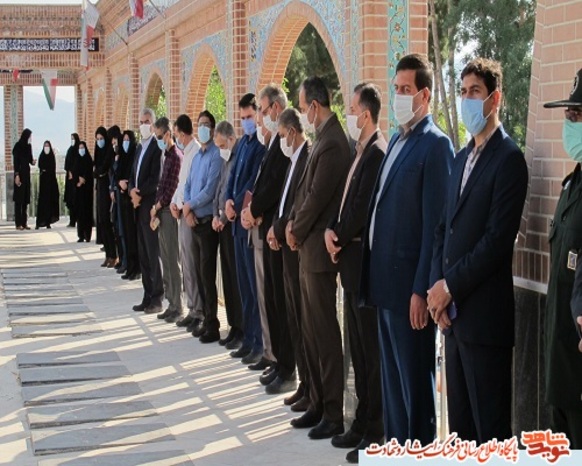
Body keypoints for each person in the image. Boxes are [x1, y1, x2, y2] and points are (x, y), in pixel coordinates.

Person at [427, 58, 528, 444]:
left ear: (494, 99)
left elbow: (496, 242)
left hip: (485, 323)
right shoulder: (460, 159)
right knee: (462, 434)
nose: (468, 99)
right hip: (453, 322)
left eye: (475, 92)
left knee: (491, 436)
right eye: (463, 92)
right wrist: (437, 291)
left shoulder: (509, 160)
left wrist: (449, 286)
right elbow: (443, 228)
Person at [361, 54, 454, 446]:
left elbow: (435, 228)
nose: (399, 95)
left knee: (415, 388)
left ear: (425, 95)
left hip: (409, 293)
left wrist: (421, 289)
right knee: (393, 392)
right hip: (384, 285)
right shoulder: (398, 139)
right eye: (396, 88)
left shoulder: (436, 146)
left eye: (406, 89)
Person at [286, 76, 351, 440]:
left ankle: (333, 412)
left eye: (303, 107)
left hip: (319, 253)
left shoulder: (333, 142)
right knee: (310, 331)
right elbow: (304, 193)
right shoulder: (324, 138)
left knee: (324, 334)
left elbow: (317, 196)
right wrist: (293, 226)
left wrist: (295, 229)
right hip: (307, 248)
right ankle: (316, 401)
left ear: (314, 105)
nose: (304, 115)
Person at [326, 83, 386, 463]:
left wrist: (338, 234)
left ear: (365, 114)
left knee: (369, 354)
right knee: (358, 353)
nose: (348, 115)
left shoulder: (377, 152)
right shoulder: (360, 151)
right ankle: (361, 422)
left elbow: (362, 209)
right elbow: (345, 202)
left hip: (364, 267)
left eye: (351, 109)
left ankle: (375, 430)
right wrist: (332, 231)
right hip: (348, 266)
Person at [242, 84, 295, 393]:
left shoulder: (285, 143)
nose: (260, 117)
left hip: (275, 229)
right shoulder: (272, 140)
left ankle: (287, 368)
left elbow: (276, 185)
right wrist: (251, 210)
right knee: (271, 299)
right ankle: (278, 362)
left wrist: (255, 210)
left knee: (280, 302)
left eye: (262, 110)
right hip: (265, 227)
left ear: (275, 108)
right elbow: (262, 182)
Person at [542, 67, 582, 448]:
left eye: (577, 114)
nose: (569, 121)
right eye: (569, 114)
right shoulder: (572, 185)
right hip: (560, 365)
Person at [267, 107, 311, 411]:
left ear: (292, 132)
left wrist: (281, 228)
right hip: (283, 241)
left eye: (283, 135)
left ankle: (307, 384)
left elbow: (301, 204)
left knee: (302, 321)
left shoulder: (306, 156)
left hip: (297, 248)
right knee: (292, 317)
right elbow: (284, 204)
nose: (281, 140)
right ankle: (303, 385)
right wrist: (276, 227)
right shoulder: (294, 158)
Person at [225, 93, 266, 365]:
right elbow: (233, 177)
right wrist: (228, 201)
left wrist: (237, 204)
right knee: (244, 288)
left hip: (248, 222)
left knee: (254, 287)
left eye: (250, 116)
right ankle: (248, 339)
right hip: (236, 225)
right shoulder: (242, 144)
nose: (246, 122)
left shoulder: (261, 146)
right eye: (242, 118)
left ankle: (260, 343)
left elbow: (252, 182)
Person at [183, 111, 223, 342]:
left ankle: (213, 324)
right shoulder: (197, 156)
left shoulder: (216, 156)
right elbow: (188, 184)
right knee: (198, 273)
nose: (202, 128)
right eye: (200, 124)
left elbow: (210, 190)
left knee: (208, 276)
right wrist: (188, 209)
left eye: (206, 124)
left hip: (207, 223)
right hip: (194, 221)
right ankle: (205, 320)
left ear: (213, 128)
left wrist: (190, 205)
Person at [171, 115, 204, 329]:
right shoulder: (186, 153)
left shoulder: (196, 152)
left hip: (190, 213)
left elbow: (193, 185)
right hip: (181, 211)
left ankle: (198, 310)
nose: (177, 139)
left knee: (192, 263)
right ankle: (191, 306)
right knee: (186, 262)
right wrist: (174, 203)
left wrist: (182, 204)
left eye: (176, 135)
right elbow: (181, 184)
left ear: (183, 134)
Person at [213, 121, 244, 349]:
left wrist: (223, 218)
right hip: (221, 224)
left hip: (232, 225)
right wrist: (216, 214)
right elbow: (219, 190)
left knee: (236, 279)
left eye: (222, 145)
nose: (221, 149)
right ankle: (233, 325)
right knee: (227, 277)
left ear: (231, 139)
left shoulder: (237, 157)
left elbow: (234, 194)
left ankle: (241, 328)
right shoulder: (225, 160)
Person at [130, 108, 164, 315]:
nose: (144, 125)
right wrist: (131, 191)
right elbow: (133, 173)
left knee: (153, 253)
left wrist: (139, 193)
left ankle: (157, 297)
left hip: (149, 206)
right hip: (137, 206)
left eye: (147, 121)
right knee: (143, 253)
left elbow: (155, 179)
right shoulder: (139, 147)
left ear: (153, 124)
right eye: (141, 121)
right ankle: (147, 294)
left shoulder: (156, 147)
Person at [150, 116, 183, 320]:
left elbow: (171, 189)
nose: (158, 140)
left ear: (169, 134)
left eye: (160, 136)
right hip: (160, 211)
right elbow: (161, 185)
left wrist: (157, 206)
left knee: (172, 260)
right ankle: (170, 302)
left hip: (168, 212)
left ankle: (177, 305)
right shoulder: (166, 156)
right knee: (165, 259)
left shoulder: (176, 157)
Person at [118, 130, 140, 280]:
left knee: (133, 236)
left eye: (128, 140)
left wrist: (128, 186)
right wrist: (120, 183)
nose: (125, 143)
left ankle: (136, 268)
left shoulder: (134, 155)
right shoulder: (122, 157)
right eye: (123, 140)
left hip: (132, 199)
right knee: (126, 234)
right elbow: (118, 174)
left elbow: (133, 174)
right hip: (123, 199)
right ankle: (130, 267)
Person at [94, 126, 117, 267]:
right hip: (100, 188)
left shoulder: (109, 152)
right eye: (97, 139)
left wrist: (99, 172)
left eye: (101, 138)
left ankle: (114, 255)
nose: (99, 142)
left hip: (108, 189)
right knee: (102, 221)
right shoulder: (98, 152)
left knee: (108, 222)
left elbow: (103, 169)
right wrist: (98, 172)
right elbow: (96, 170)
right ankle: (108, 254)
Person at [108, 126, 126, 274]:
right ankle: (121, 258)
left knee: (123, 229)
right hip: (115, 194)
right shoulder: (114, 153)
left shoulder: (122, 154)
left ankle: (125, 260)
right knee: (117, 227)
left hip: (122, 195)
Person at [12, 128, 35, 230]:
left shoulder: (28, 146)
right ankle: (18, 223)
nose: (30, 138)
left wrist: (33, 162)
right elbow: (16, 162)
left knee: (25, 199)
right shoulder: (18, 146)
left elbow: (30, 159)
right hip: (20, 175)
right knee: (19, 200)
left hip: (26, 175)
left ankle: (24, 223)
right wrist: (17, 174)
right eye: (29, 136)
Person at [35, 140, 60, 229]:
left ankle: (48, 222)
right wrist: (45, 170)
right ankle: (39, 222)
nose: (46, 147)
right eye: (45, 146)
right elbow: (41, 166)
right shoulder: (42, 156)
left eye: (48, 146)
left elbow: (52, 168)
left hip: (51, 183)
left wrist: (47, 170)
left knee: (50, 202)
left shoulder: (51, 157)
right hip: (43, 184)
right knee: (42, 202)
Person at [74, 141, 94, 242]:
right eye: (80, 148)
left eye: (83, 148)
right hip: (79, 191)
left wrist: (84, 180)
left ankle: (87, 235)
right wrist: (78, 180)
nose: (81, 150)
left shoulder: (88, 160)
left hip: (87, 190)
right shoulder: (76, 160)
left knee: (87, 212)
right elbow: (74, 173)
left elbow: (90, 173)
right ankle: (81, 235)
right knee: (80, 213)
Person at [65, 133, 80, 227]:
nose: (72, 140)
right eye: (71, 139)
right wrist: (69, 172)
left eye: (73, 139)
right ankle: (72, 221)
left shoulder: (79, 150)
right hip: (71, 180)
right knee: (71, 200)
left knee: (78, 200)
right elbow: (67, 163)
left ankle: (79, 220)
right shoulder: (70, 150)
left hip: (78, 180)